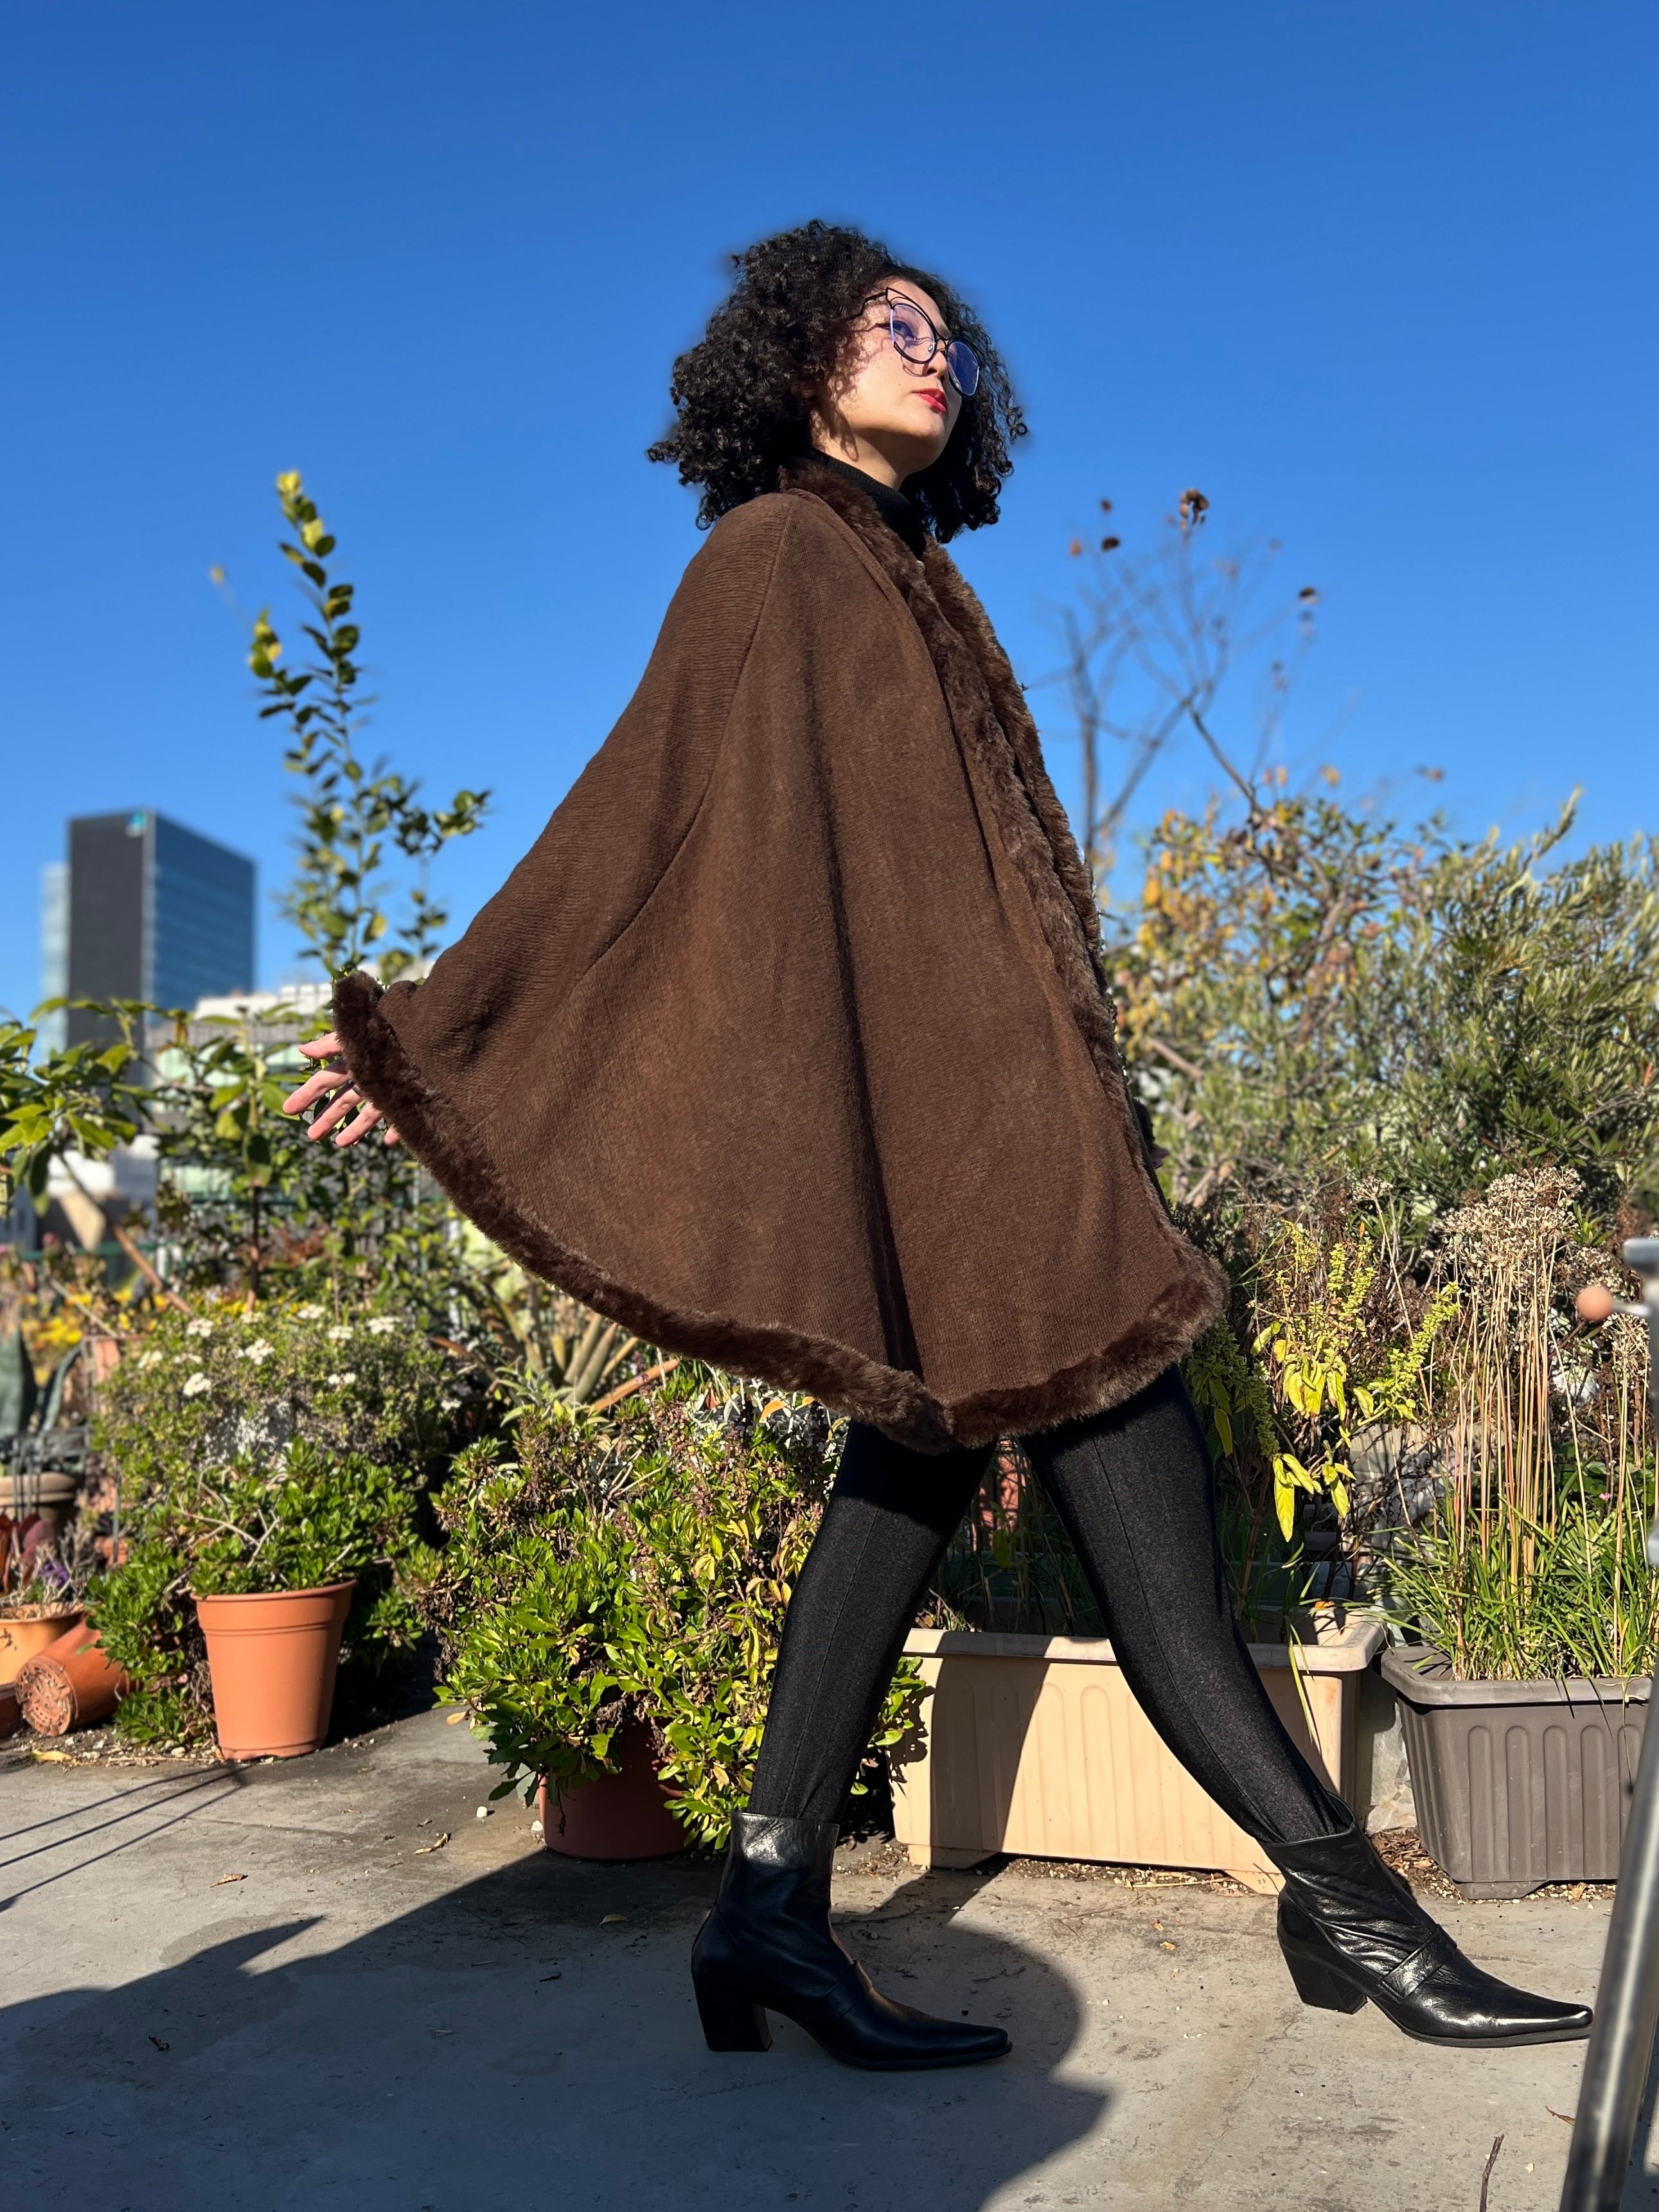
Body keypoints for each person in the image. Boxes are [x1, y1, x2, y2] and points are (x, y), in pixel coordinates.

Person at [284, 220, 1590, 2071]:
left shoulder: (911, 578)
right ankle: (1362, 1914)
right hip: (983, 1163)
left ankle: (766, 1914)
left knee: (906, 1472)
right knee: (1147, 1505)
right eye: (885, 326)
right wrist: (437, 1031)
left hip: (990, 1130)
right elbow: (638, 814)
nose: (933, 352)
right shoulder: (777, 556)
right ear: (793, 361)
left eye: (947, 335)